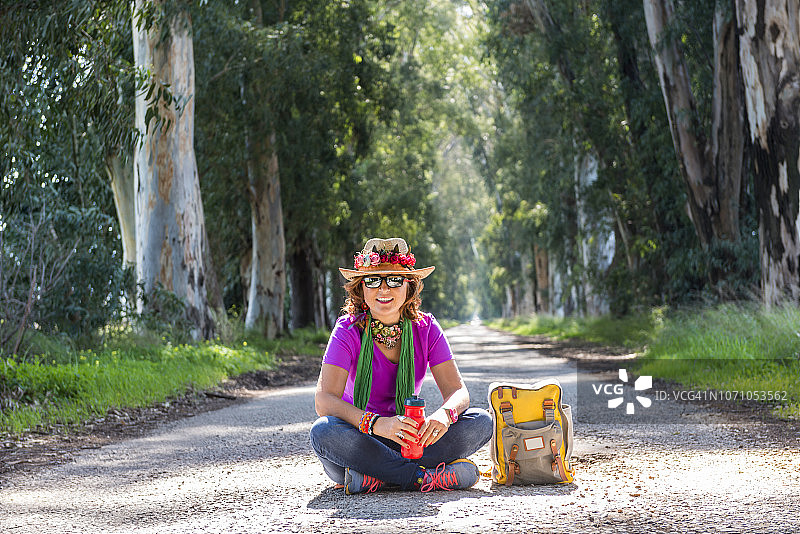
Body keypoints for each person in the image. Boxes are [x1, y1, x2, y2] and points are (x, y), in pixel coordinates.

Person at [309, 237, 493, 494]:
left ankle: (378, 477)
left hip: (413, 440)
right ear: (361, 289)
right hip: (364, 438)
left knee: (481, 421)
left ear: (410, 287)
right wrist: (376, 424)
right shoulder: (347, 330)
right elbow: (324, 401)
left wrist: (444, 415)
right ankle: (422, 477)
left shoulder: (426, 328)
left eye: (395, 280)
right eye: (373, 281)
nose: (384, 290)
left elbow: (458, 392)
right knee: (323, 432)